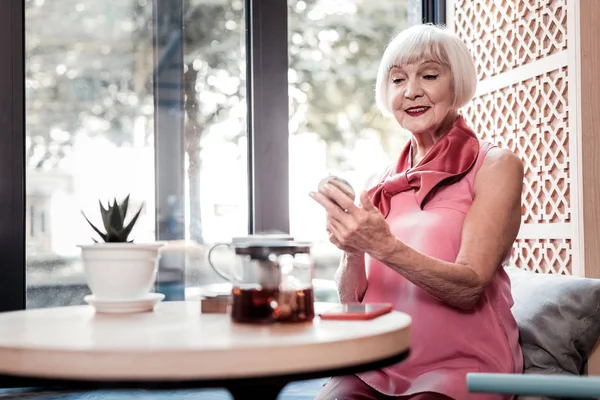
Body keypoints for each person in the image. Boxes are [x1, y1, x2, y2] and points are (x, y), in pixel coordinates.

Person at [309, 23, 524, 400]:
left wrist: (384, 245)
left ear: (456, 83)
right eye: (397, 80)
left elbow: (470, 287)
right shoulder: (379, 180)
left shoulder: (496, 165)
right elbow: (353, 302)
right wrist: (353, 248)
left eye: (429, 75)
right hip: (380, 363)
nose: (411, 92)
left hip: (464, 366)